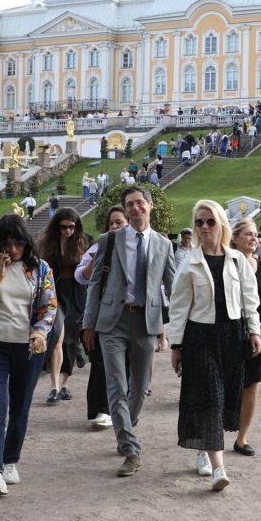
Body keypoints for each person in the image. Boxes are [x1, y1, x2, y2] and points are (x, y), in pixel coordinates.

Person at [82, 186, 176, 477]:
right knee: (116, 385)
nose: (135, 208)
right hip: (113, 321)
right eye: (129, 205)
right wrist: (88, 323)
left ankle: (126, 425)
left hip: (146, 323)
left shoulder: (163, 244)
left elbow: (172, 287)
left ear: (150, 206)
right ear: (125, 210)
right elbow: (96, 284)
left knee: (141, 387)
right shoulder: (109, 241)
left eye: (139, 203)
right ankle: (130, 448)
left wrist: (175, 326)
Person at [168, 200, 261, 490]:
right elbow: (179, 306)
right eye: (199, 222)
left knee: (222, 398)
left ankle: (204, 450)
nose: (205, 227)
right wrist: (176, 345)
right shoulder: (190, 262)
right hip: (200, 337)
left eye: (210, 221)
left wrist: (254, 332)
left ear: (221, 224)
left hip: (232, 336)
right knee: (210, 395)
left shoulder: (236, 260)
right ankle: (220, 468)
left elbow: (250, 300)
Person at [0, 215, 57, 497]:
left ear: (25, 241)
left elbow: (49, 307)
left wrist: (40, 332)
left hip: (28, 348)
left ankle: (10, 461)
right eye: (6, 243)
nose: (12, 248)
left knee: (20, 408)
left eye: (17, 242)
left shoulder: (41, 269)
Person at [75, 205, 128, 431]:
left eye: (119, 222)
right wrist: (93, 262)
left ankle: (124, 412)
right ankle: (101, 409)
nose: (114, 226)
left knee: (128, 367)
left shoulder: (138, 247)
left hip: (130, 314)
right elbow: (81, 277)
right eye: (111, 223)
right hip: (104, 315)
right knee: (101, 364)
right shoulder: (99, 246)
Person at [230, 218, 261, 457]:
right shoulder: (228, 263)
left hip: (257, 330)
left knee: (253, 384)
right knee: (228, 383)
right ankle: (215, 434)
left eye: (256, 234)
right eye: (248, 234)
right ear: (234, 238)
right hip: (232, 329)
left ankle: (242, 438)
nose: (254, 238)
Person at [38, 208, 90, 405]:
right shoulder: (48, 242)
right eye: (63, 227)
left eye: (71, 227)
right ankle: (54, 386)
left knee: (70, 340)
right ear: (56, 226)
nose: (67, 231)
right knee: (57, 336)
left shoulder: (84, 241)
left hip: (76, 294)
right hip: (55, 293)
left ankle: (66, 382)